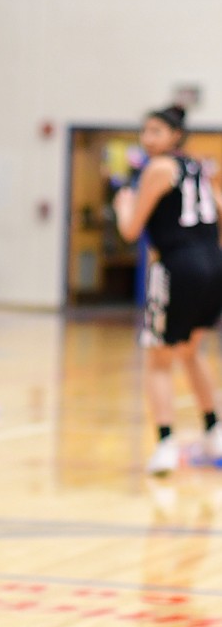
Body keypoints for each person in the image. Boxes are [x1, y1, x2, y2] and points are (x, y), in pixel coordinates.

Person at [113, 104, 222, 475]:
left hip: (178, 265)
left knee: (158, 360)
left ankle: (164, 444)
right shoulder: (198, 168)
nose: (147, 139)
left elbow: (131, 231)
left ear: (175, 135)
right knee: (192, 351)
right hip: (212, 264)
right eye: (144, 131)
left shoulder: (158, 168)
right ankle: (213, 430)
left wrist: (123, 206)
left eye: (156, 132)